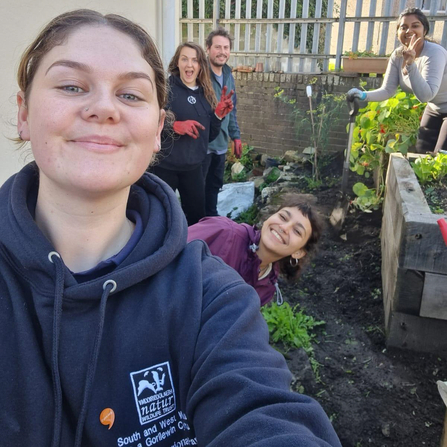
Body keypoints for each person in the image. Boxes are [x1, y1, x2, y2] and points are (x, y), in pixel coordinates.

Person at [0, 9, 342, 447]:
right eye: (71, 86)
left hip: (200, 164)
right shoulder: (225, 236)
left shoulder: (209, 296)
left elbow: (264, 413)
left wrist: (224, 125)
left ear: (154, 128)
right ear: (24, 112)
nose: (104, 107)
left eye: (130, 95)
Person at [151, 42, 234, 225]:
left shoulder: (206, 94)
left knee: (197, 218)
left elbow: (209, 136)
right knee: (159, 217)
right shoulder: (165, 89)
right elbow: (149, 120)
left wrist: (218, 116)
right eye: (184, 59)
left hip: (195, 167)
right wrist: (173, 125)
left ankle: (190, 251)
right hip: (165, 166)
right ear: (177, 63)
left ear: (200, 65)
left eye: (194, 60)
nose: (189, 65)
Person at [188, 196, 323, 306]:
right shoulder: (223, 232)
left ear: (298, 252)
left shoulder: (266, 288)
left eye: (297, 231)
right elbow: (171, 249)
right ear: (269, 218)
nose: (285, 227)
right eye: (283, 217)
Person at [347, 7, 447, 154]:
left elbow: (426, 95)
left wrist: (411, 64)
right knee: (421, 154)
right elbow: (388, 90)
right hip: (434, 108)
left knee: (441, 157)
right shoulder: (398, 55)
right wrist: (363, 95)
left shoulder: (434, 53)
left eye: (415, 26)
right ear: (397, 33)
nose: (409, 31)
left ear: (424, 30)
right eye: (403, 27)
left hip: (438, 103)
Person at [203, 27, 242, 216]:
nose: (222, 52)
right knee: (197, 189)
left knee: (214, 185)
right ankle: (195, 225)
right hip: (201, 143)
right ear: (208, 48)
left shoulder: (227, 73)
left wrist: (236, 136)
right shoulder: (200, 73)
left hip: (220, 142)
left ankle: (210, 219)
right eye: (217, 47)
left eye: (226, 47)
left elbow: (231, 109)